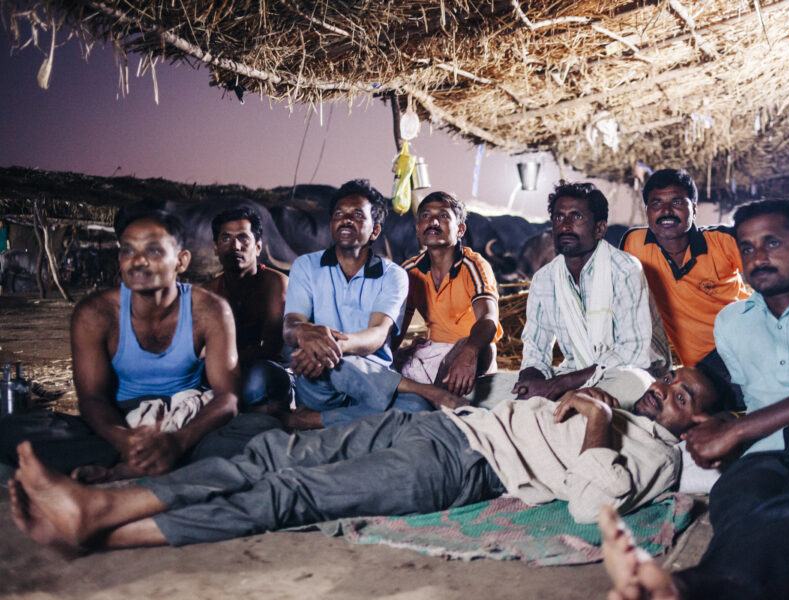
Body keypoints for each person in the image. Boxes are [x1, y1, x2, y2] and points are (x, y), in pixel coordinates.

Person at [8, 363, 728, 553]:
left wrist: (601, 427)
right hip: (452, 430)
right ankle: (96, 517)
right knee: (269, 450)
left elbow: (585, 504)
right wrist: (606, 397)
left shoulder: (657, 457)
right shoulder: (627, 394)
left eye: (684, 394)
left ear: (703, 420)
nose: (668, 391)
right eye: (672, 380)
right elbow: (610, 375)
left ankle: (100, 518)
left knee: (295, 492)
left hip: (460, 471)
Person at [601, 199, 789, 600]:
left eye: (772, 243)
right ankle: (701, 585)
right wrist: (724, 437)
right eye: (747, 247)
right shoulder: (732, 323)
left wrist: (739, 429)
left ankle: (689, 586)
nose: (758, 256)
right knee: (739, 500)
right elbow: (749, 395)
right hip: (770, 449)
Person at [0, 205, 240, 478]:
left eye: (153, 250)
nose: (137, 261)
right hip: (119, 418)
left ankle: (122, 467)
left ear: (181, 261)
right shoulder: (96, 313)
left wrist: (178, 441)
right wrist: (125, 441)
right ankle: (149, 462)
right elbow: (92, 398)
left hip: (186, 416)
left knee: (258, 430)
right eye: (128, 250)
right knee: (9, 432)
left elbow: (227, 397)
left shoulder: (211, 310)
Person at [621, 168, 789, 370]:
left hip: (751, 348)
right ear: (647, 211)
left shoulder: (720, 242)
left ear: (694, 209)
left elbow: (785, 246)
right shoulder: (634, 244)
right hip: (703, 370)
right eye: (657, 203)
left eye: (678, 202)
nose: (667, 211)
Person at [279, 180, 463, 431]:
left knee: (417, 409)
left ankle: (312, 420)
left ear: (375, 231)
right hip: (319, 376)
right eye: (339, 214)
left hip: (373, 383)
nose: (345, 220)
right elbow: (291, 326)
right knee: (341, 365)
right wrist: (304, 333)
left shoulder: (393, 275)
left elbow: (377, 335)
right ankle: (425, 391)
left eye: (356, 215)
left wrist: (331, 346)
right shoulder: (305, 266)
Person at [514, 181, 670, 402]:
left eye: (576, 217)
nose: (565, 226)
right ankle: (570, 402)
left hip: (624, 373)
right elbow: (535, 348)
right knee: (494, 386)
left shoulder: (625, 269)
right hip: (573, 374)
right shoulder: (544, 279)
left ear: (599, 228)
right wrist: (530, 381)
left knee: (633, 385)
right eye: (559, 218)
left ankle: (569, 403)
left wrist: (563, 383)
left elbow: (633, 351)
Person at [395, 191, 503, 396]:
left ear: (460, 230)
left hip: (473, 351)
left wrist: (469, 353)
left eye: (443, 216)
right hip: (431, 350)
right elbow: (396, 327)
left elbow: (488, 318)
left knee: (462, 346)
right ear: (418, 230)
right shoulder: (409, 271)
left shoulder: (474, 265)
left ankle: (436, 403)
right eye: (426, 216)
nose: (433, 221)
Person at [200, 207, 290, 411]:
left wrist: (220, 361)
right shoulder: (208, 292)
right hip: (222, 369)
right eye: (226, 239)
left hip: (266, 366)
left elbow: (271, 346)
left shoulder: (276, 283)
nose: (235, 246)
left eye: (243, 238)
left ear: (258, 247)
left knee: (259, 380)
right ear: (215, 248)